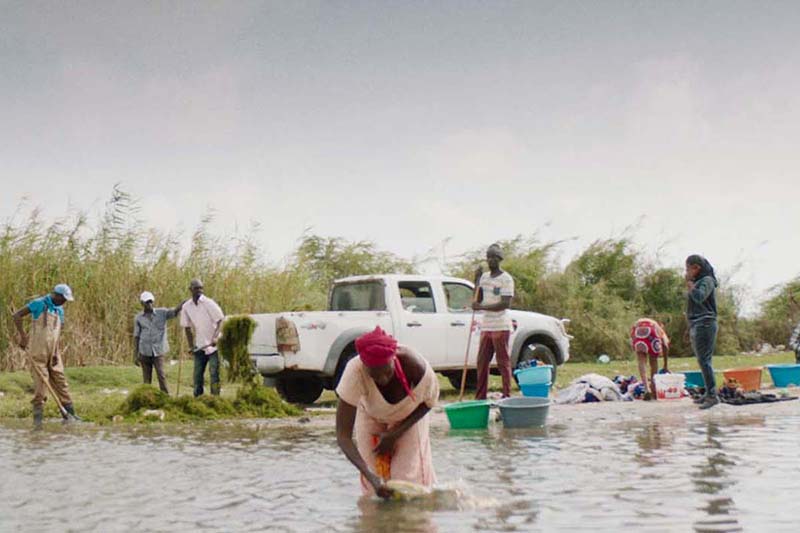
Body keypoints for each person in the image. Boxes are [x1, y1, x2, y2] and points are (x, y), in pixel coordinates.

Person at [335, 327, 439, 499]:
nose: (382, 379)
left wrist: (394, 434)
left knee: (408, 478)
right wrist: (370, 475)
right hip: (371, 413)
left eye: (387, 372)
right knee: (373, 486)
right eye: (374, 375)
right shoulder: (355, 371)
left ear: (394, 358)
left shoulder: (417, 367)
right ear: (364, 366)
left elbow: (429, 403)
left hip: (410, 415)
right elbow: (343, 436)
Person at [12, 284, 79, 427]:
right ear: (56, 295)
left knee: (61, 383)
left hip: (54, 354)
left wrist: (56, 351)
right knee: (41, 388)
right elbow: (16, 315)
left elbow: (57, 334)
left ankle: (70, 415)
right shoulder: (38, 304)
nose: (65, 302)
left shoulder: (60, 310)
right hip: (38, 353)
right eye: (63, 299)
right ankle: (38, 423)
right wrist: (23, 337)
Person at [473, 243, 515, 400]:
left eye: (493, 258)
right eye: (488, 257)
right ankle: (480, 397)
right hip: (487, 325)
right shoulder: (484, 278)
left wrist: (482, 306)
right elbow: (477, 299)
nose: (490, 261)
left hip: (501, 325)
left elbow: (505, 304)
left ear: (499, 259)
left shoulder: (506, 279)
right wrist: (476, 280)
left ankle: (506, 395)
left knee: (502, 362)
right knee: (481, 362)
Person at [685, 255, 720, 409]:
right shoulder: (700, 281)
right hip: (697, 323)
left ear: (696, 268)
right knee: (702, 360)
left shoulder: (707, 281)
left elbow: (699, 297)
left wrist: (691, 286)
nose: (686, 272)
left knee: (705, 360)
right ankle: (708, 392)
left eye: (688, 269)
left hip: (705, 323)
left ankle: (712, 395)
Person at [133, 291, 185, 393]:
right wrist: (135, 354)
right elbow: (136, 336)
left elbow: (174, 312)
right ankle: (147, 397)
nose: (150, 305)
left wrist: (184, 303)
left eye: (151, 302)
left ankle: (165, 396)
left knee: (161, 375)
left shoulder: (162, 313)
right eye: (147, 302)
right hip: (144, 351)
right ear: (142, 304)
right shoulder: (138, 318)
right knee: (146, 379)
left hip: (158, 351)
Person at [180, 279, 224, 397]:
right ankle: (198, 399)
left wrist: (215, 338)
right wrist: (190, 346)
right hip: (200, 345)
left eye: (201, 288)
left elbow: (220, 321)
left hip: (213, 345)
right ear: (191, 290)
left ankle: (215, 399)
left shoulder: (208, 303)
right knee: (197, 374)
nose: (199, 291)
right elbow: (187, 327)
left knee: (214, 373)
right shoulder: (186, 306)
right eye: (196, 288)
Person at [630, 318, 670, 400]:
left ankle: (647, 389)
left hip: (637, 330)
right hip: (652, 331)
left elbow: (632, 336)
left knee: (641, 361)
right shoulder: (658, 328)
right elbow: (666, 345)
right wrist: (665, 366)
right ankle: (653, 387)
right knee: (653, 361)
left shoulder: (640, 322)